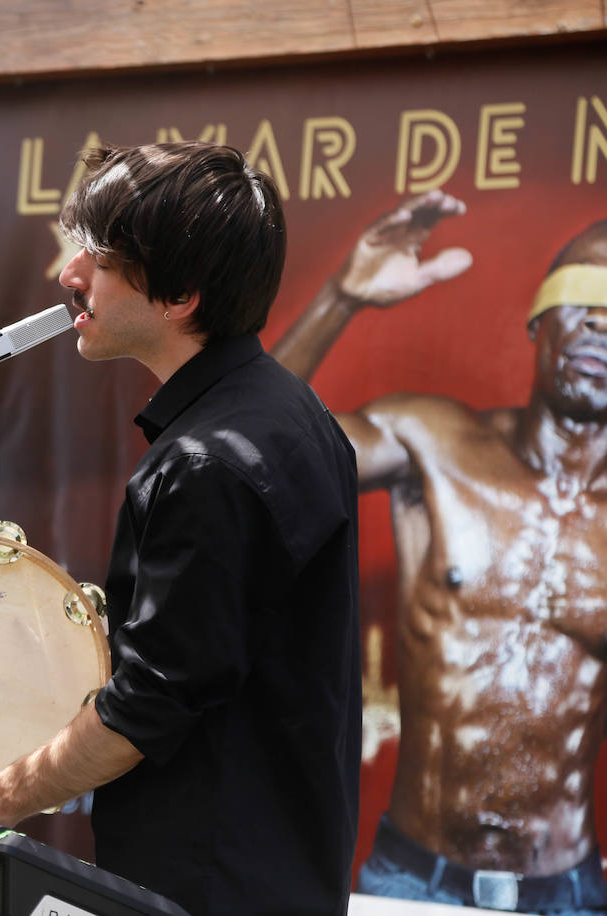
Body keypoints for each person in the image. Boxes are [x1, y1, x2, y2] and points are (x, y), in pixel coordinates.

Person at [0, 142, 362, 916]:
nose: (69, 275)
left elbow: (149, 704)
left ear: (180, 293)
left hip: (207, 887)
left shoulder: (207, 463)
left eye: (99, 257)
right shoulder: (292, 417)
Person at [272, 197, 607, 913]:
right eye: (584, 295)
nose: (602, 321)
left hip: (571, 892)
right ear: (537, 321)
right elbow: (258, 446)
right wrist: (341, 297)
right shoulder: (434, 443)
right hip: (412, 880)